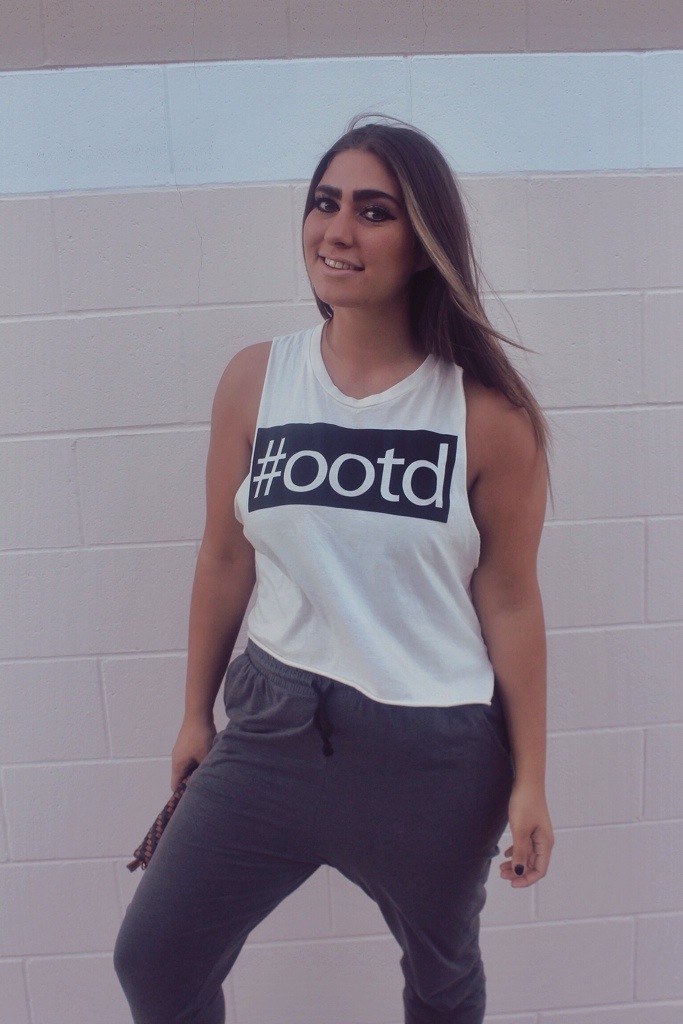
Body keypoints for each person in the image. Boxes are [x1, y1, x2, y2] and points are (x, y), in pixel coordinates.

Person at [114, 117, 553, 1024]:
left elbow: (510, 601)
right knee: (154, 960)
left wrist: (530, 779)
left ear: (423, 241)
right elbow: (224, 555)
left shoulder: (486, 417)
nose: (337, 230)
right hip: (271, 728)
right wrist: (195, 713)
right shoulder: (255, 380)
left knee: (441, 986)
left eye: (373, 211)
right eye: (325, 203)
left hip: (431, 756)